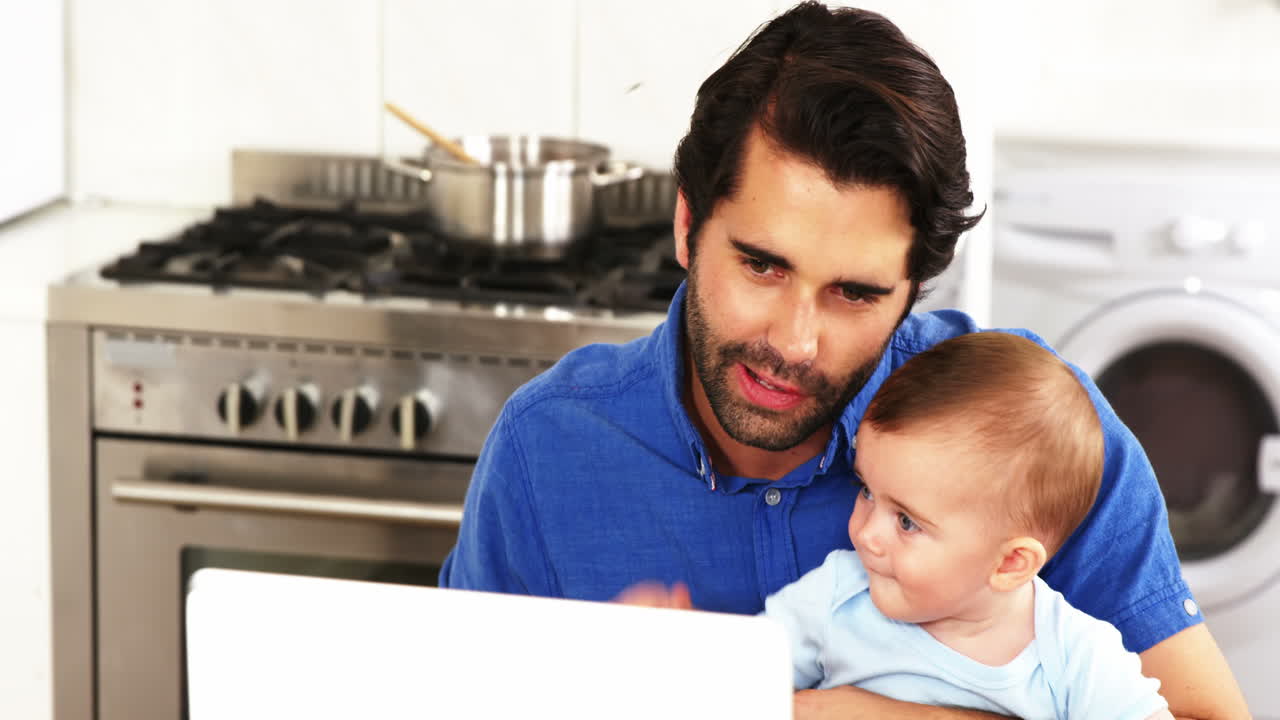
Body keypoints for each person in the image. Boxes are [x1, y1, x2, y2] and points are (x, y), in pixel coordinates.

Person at [439, 3, 1249, 717]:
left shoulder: (1032, 437)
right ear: (688, 225)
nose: (795, 342)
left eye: (855, 293)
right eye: (762, 264)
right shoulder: (549, 449)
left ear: (915, 288)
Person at [760, 331, 1172, 718]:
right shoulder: (839, 593)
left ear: (1010, 563)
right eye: (866, 490)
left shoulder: (1076, 656)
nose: (867, 535)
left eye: (906, 522)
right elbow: (733, 674)